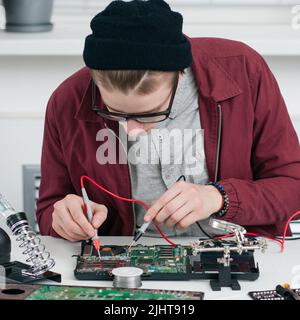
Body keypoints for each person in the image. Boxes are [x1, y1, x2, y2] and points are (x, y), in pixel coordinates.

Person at [36, 0, 300, 242]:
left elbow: (293, 187)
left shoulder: (243, 72)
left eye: (150, 113)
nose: (133, 130)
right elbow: (49, 209)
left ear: (181, 74)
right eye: (114, 112)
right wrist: (63, 218)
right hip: (123, 266)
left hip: (235, 257)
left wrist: (219, 197)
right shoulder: (67, 101)